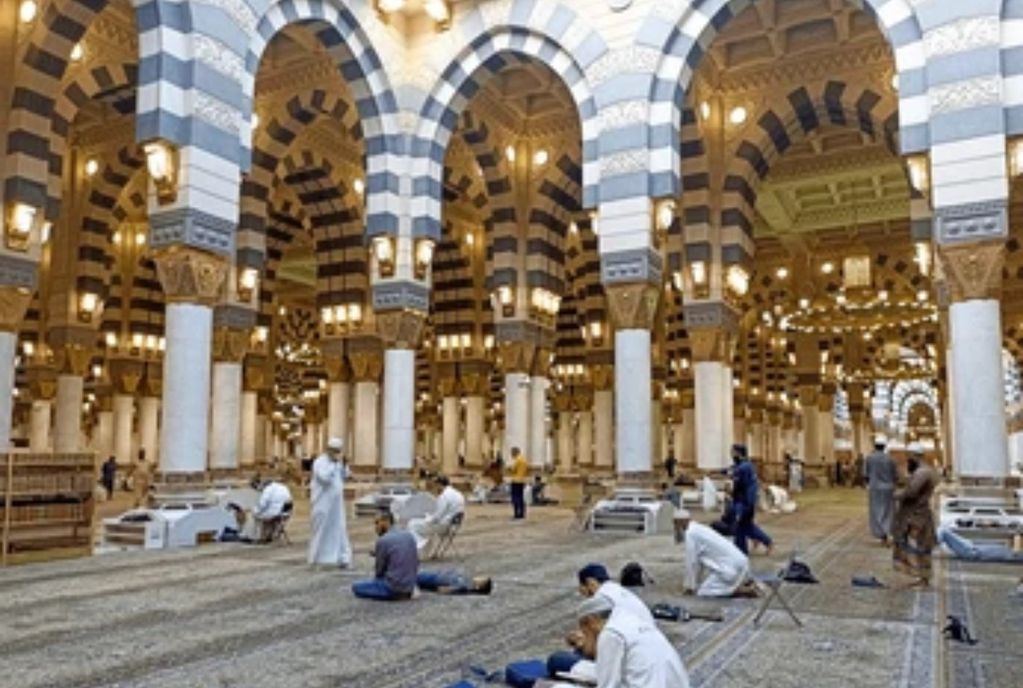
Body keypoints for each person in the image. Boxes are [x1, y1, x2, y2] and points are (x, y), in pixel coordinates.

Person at [576, 596, 690, 688]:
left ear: (590, 621)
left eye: (585, 631)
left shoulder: (611, 633)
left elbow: (607, 684)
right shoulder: (631, 620)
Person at [674, 509, 756, 598]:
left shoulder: (691, 534)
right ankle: (743, 583)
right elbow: (699, 562)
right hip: (743, 563)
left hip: (730, 569)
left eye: (675, 524)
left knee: (703, 592)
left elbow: (692, 562)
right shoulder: (699, 528)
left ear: (680, 522)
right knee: (712, 583)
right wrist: (694, 583)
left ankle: (739, 591)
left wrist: (689, 587)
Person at [892, 449, 938, 588]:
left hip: (916, 515)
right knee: (919, 544)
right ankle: (923, 577)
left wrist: (898, 495)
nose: (907, 462)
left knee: (916, 544)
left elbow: (912, 491)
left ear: (914, 457)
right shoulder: (926, 470)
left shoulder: (922, 473)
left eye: (909, 459)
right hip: (918, 513)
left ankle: (922, 576)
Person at [352, 511, 419, 600]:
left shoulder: (383, 540)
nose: (376, 527)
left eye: (377, 523)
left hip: (393, 588)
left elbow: (379, 571)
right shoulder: (409, 535)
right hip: (410, 585)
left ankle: (396, 594)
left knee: (356, 587)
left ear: (386, 521)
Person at [308, 436, 352, 569]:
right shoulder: (319, 462)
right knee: (322, 529)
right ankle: (318, 558)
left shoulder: (337, 462)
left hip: (336, 505)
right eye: (334, 451)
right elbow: (324, 478)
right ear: (328, 450)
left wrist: (344, 465)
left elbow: (345, 476)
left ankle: (340, 557)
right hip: (323, 502)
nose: (336, 454)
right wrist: (334, 465)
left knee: (339, 528)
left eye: (338, 451)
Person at [577, 563, 654, 623]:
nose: (580, 590)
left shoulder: (602, 596)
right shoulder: (617, 589)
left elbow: (586, 619)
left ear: (590, 582)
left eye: (581, 585)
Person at [730, 444, 772, 555]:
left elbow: (739, 485)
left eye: (733, 452)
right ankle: (764, 541)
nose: (731, 454)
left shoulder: (742, 468)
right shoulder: (747, 465)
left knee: (740, 526)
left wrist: (745, 503)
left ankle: (741, 550)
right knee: (746, 525)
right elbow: (731, 470)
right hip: (747, 501)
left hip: (743, 501)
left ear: (738, 453)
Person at [408, 474, 465, 553]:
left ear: (439, 484)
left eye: (435, 485)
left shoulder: (444, 496)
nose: (435, 487)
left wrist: (426, 519)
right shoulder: (458, 493)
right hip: (453, 525)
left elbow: (437, 517)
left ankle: (419, 547)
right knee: (422, 527)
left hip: (444, 526)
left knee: (412, 524)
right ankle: (424, 549)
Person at [864, 437, 897, 544]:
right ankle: (888, 532)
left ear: (875, 446)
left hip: (875, 488)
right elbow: (895, 475)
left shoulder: (869, 458)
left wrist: (869, 483)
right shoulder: (890, 459)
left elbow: (865, 474)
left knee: (876, 510)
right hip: (888, 488)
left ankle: (881, 534)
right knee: (888, 511)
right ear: (884, 447)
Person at [937, 526, 1023, 563]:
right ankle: (927, 546)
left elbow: (1016, 551)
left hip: (972, 552)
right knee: (943, 530)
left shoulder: (1015, 553)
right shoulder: (1010, 550)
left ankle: (926, 548)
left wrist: (1018, 536)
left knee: (943, 531)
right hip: (972, 546)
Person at [252, 478, 293, 543]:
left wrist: (255, 512)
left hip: (276, 513)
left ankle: (262, 537)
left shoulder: (268, 489)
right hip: (286, 513)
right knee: (270, 516)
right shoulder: (283, 487)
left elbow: (262, 504)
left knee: (259, 517)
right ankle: (270, 535)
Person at [416, 569, 493, 595]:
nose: (479, 577)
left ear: (478, 586)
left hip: (433, 580)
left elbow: (443, 590)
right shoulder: (467, 580)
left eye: (482, 580)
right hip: (436, 576)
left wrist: (434, 589)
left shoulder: (464, 586)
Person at [508, 446, 529, 520]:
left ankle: (517, 513)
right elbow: (527, 470)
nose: (511, 455)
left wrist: (509, 469)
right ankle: (522, 513)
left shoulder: (517, 460)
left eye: (512, 453)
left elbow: (513, 469)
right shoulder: (524, 460)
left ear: (514, 452)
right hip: (522, 480)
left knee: (515, 497)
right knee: (521, 497)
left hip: (516, 480)